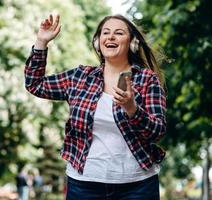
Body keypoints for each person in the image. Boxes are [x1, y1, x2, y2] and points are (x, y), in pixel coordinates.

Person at [24, 13, 166, 200]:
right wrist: (41, 42)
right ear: (98, 42)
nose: (111, 37)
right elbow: (35, 84)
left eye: (119, 33)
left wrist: (132, 108)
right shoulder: (80, 77)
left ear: (132, 43)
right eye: (105, 33)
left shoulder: (147, 80)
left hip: (137, 186)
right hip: (84, 185)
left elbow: (157, 131)